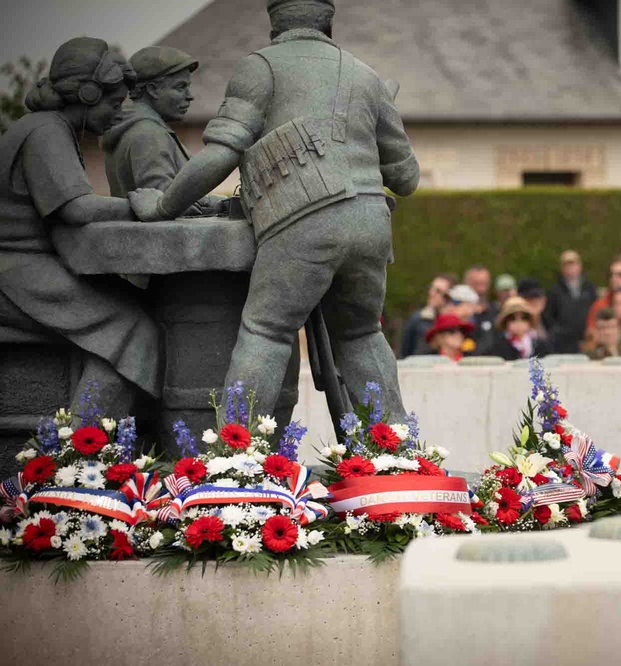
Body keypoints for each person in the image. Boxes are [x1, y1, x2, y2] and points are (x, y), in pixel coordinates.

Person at [129, 0, 420, 419]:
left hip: (304, 218)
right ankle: (396, 454)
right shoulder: (365, 74)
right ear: (329, 23)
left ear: (273, 24)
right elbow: (406, 179)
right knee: (360, 335)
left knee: (265, 331)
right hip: (372, 221)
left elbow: (221, 153)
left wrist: (162, 205)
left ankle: (236, 460)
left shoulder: (259, 67)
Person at [0, 36, 163, 416]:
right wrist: (145, 206)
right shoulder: (45, 132)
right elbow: (76, 209)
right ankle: (80, 454)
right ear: (87, 95)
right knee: (135, 330)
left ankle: (101, 444)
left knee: (141, 305)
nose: (118, 113)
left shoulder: (50, 128)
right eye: (113, 102)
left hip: (28, 266)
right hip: (16, 272)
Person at [102, 46, 225, 216]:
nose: (190, 96)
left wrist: (217, 202)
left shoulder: (136, 128)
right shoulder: (149, 134)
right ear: (153, 90)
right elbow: (164, 205)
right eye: (180, 87)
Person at [543, 249, 596, 353]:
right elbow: (548, 316)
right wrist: (557, 332)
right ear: (562, 268)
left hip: (586, 341)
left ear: (580, 266)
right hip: (562, 344)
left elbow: (595, 310)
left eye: (572, 264)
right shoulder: (554, 290)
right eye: (566, 265)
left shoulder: (590, 288)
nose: (570, 268)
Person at [400, 272, 454, 358]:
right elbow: (405, 350)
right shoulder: (418, 319)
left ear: (448, 296)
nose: (432, 293)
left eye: (438, 291)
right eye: (431, 288)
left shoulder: (456, 322)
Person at [482, 296, 552, 360]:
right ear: (505, 322)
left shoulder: (540, 344)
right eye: (512, 318)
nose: (519, 322)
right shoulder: (497, 346)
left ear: (529, 321)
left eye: (524, 318)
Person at [464, 264, 498, 346]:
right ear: (466, 283)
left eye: (484, 283)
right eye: (476, 283)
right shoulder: (458, 314)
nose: (480, 289)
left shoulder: (496, 311)